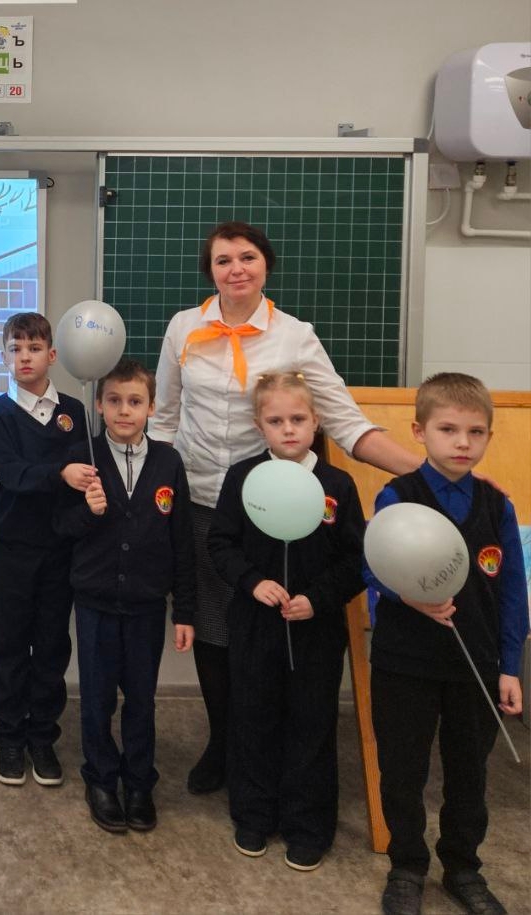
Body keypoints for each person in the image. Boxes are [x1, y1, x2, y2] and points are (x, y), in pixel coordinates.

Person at [151, 220, 421, 795]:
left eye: (247, 257)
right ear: (210, 272)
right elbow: (164, 418)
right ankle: (223, 742)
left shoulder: (295, 336)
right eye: (223, 260)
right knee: (213, 626)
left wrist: (426, 474)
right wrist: (152, 493)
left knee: (264, 626)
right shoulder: (183, 328)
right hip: (203, 502)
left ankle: (263, 746)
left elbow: (346, 423)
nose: (236, 269)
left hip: (277, 510)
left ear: (266, 265)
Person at [366, 373, 526, 915]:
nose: (463, 442)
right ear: (420, 432)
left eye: (476, 432)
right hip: (404, 663)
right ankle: (407, 865)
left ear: (488, 437)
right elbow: (372, 567)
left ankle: (463, 867)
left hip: (475, 665)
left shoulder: (496, 506)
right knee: (402, 770)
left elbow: (512, 591)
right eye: (448, 429)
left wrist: (509, 666)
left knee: (468, 773)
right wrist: (408, 597)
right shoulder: (398, 495)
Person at [205, 372, 366, 871]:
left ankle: (308, 825)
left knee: (312, 723)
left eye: (298, 419)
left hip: (317, 628)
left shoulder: (337, 485)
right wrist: (253, 581)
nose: (288, 429)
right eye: (276, 421)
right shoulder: (243, 477)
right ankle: (254, 815)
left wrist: (317, 598)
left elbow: (356, 559)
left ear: (316, 422)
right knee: (252, 717)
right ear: (260, 426)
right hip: (255, 624)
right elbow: (220, 543)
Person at [53, 359, 195, 832]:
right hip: (95, 602)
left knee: (141, 698)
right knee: (97, 698)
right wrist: (87, 512)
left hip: (146, 605)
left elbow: (181, 542)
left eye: (135, 401)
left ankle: (138, 783)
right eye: (114, 401)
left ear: (152, 407)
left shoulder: (169, 463)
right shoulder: (83, 457)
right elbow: (60, 526)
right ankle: (100, 778)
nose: (124, 410)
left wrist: (184, 610)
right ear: (99, 404)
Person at [0, 312, 96, 787]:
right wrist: (60, 474)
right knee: (9, 643)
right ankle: (10, 737)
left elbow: (81, 472)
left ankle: (43, 737)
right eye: (15, 349)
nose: (24, 357)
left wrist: (79, 484)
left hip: (60, 548)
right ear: (4, 356)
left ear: (52, 355)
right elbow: (14, 474)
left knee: (51, 643)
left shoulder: (75, 412)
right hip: (13, 547)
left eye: (33, 348)